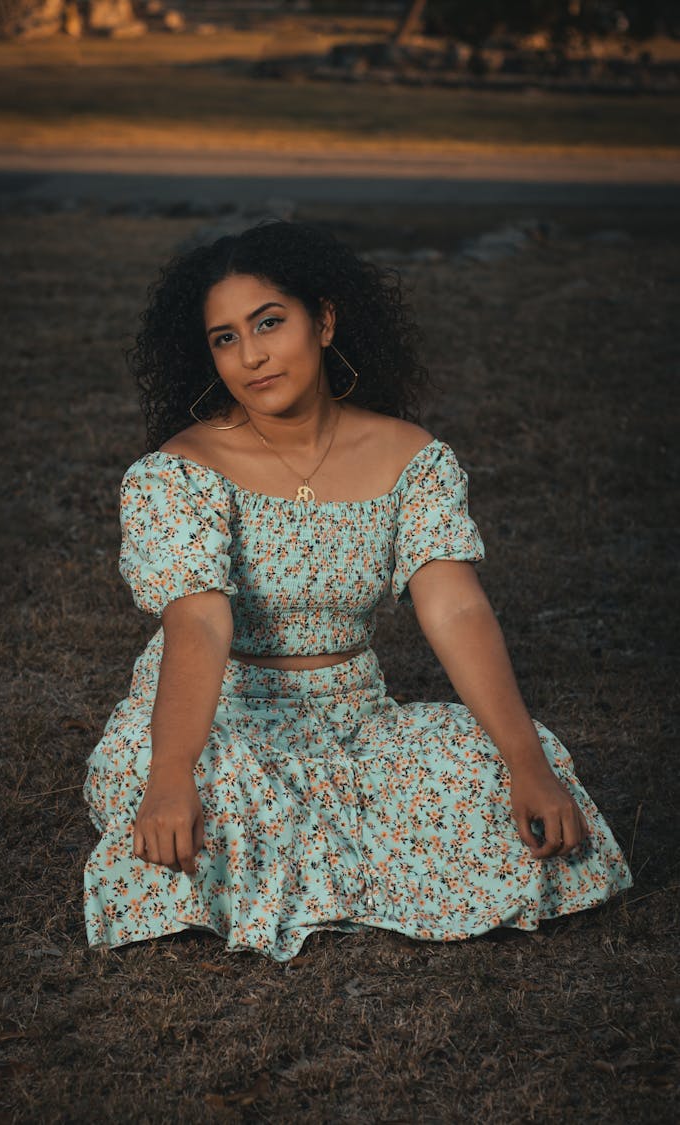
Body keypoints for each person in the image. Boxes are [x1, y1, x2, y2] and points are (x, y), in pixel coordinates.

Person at [83, 220, 632, 961]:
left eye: (269, 323)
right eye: (224, 338)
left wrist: (525, 760)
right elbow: (200, 626)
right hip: (220, 720)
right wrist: (171, 773)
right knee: (209, 803)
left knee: (497, 772)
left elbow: (456, 605)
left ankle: (327, 860)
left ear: (325, 319)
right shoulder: (179, 471)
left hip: (356, 721)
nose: (250, 355)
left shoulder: (411, 458)